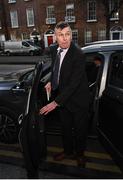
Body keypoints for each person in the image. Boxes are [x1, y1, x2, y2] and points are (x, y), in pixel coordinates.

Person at [40, 21, 90, 167]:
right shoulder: (55, 49)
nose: (65, 38)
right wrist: (51, 81)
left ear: (71, 35)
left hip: (79, 100)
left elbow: (74, 84)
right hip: (63, 100)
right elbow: (56, 70)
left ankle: (80, 154)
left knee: (80, 131)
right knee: (65, 129)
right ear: (55, 37)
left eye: (67, 34)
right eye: (61, 35)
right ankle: (68, 152)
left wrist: (55, 102)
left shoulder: (78, 54)